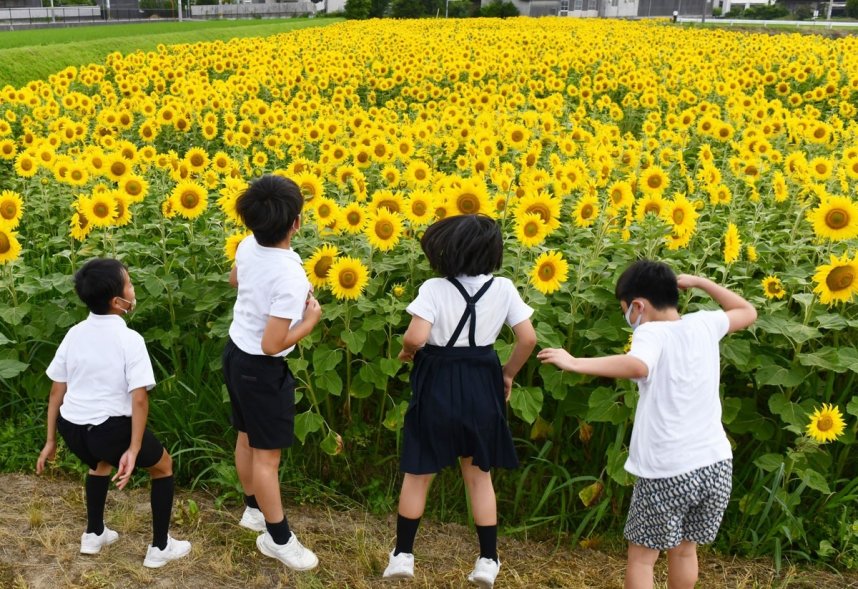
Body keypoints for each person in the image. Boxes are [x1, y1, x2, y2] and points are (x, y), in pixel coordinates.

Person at [537, 260, 757, 589]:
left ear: (638, 305)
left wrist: (574, 362)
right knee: (684, 551)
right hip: (715, 464)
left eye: (626, 310)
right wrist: (700, 282)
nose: (629, 319)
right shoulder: (704, 324)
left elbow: (639, 366)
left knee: (642, 557)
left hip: (669, 469)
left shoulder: (652, 332)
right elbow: (747, 310)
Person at [383, 214, 537, 588]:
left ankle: (403, 554)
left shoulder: (435, 289)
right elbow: (528, 338)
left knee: (419, 474)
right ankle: (487, 560)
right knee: (478, 475)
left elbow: (417, 336)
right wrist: (508, 373)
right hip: (482, 377)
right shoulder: (503, 288)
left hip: (438, 378)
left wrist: (406, 351)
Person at [36, 258, 191, 569]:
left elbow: (56, 391)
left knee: (100, 463)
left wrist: (50, 440)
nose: (134, 289)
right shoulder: (130, 340)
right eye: (130, 284)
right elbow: (139, 401)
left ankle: (94, 534)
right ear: (118, 302)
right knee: (162, 466)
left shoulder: (75, 333)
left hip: (72, 427)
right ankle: (160, 547)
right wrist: (134, 449)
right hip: (109, 429)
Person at [222, 174, 321, 571]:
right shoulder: (291, 276)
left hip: (235, 354)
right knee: (268, 458)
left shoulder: (247, 245)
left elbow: (234, 279)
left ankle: (253, 510)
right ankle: (278, 539)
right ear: (296, 222)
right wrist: (309, 320)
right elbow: (273, 343)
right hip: (262, 368)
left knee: (246, 437)